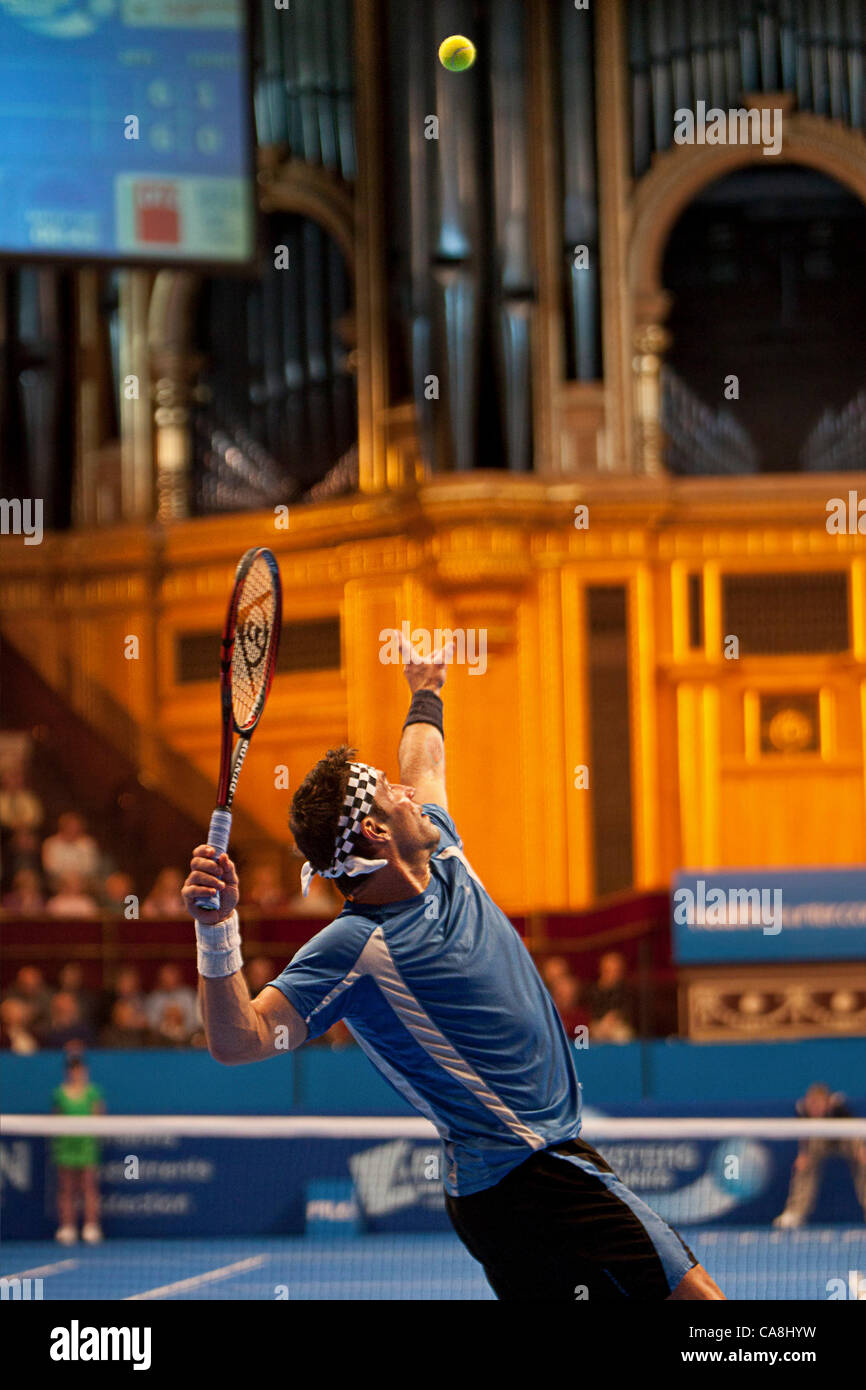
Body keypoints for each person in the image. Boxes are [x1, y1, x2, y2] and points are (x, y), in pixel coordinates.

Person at [182, 636, 724, 1301]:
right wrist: (217, 930)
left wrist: (427, 690)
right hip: (530, 1174)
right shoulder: (356, 947)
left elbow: (426, 760)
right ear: (378, 834)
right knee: (700, 1304)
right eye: (391, 792)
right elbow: (238, 1041)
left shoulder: (442, 851)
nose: (410, 792)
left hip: (514, 1185)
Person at [773, 1082, 866, 1229]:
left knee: (864, 1164)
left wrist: (860, 1150)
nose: (814, 1107)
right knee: (804, 1167)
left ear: (827, 1102)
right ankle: (795, 1213)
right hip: (819, 1139)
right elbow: (804, 1134)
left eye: (818, 1104)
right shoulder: (802, 1110)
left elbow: (854, 1131)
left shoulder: (840, 1109)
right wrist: (803, 1155)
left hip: (845, 1137)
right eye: (812, 1103)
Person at [51, 1056, 105, 1245]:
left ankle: (91, 1226)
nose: (77, 1073)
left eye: (80, 1070)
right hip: (66, 1146)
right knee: (66, 1189)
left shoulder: (93, 1093)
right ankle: (67, 1227)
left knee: (89, 1187)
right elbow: (54, 1119)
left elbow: (100, 1117)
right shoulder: (59, 1094)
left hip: (87, 1145)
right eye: (73, 1070)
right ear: (68, 1072)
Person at [586, 951, 636, 1043]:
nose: (613, 974)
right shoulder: (593, 991)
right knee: (583, 1035)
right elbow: (587, 1013)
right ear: (602, 970)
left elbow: (629, 1011)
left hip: (618, 1025)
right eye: (609, 970)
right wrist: (602, 1021)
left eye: (616, 971)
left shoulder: (627, 991)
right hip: (596, 1025)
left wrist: (616, 1016)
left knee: (623, 1035)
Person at [41, 812, 100, 891]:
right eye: (70, 826)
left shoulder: (88, 844)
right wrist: (67, 877)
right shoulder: (50, 843)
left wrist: (76, 877)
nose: (73, 829)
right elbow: (50, 867)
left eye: (76, 827)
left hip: (84, 881)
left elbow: (91, 866)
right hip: (58, 881)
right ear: (63, 827)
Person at [145, 962, 199, 1036]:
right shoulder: (155, 997)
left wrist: (181, 1027)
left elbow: (195, 1020)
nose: (168, 979)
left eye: (171, 975)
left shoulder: (188, 995)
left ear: (178, 976)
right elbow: (150, 1021)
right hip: (159, 1039)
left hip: (187, 1039)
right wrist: (165, 1024)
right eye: (165, 976)